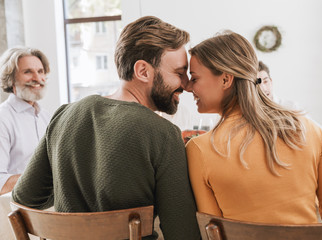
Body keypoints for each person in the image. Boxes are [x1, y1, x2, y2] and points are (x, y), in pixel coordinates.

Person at [12, 16, 200, 240]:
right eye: (179, 73)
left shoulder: (63, 116)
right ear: (142, 71)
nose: (187, 85)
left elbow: (24, 197)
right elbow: (184, 234)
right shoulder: (163, 134)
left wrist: (75, 180)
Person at [185, 30, 322, 224]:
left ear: (225, 80)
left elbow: (213, 232)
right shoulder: (309, 130)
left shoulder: (199, 150)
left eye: (194, 78)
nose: (188, 87)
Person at [0, 47, 51, 195]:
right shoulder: (3, 118)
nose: (37, 78)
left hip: (43, 205)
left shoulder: (46, 117)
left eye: (40, 71)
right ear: (11, 79)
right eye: (27, 72)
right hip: (12, 210)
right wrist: (43, 178)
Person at [258, 60, 322, 143]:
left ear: (271, 82)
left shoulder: (291, 107)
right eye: (258, 84)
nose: (263, 89)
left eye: (266, 81)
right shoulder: (250, 114)